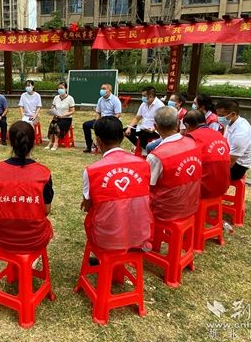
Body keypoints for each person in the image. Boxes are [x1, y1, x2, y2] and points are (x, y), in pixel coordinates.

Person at [80, 116, 152, 252]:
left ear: (98, 140)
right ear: (122, 137)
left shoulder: (92, 171)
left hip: (106, 239)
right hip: (141, 234)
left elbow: (88, 206)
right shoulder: (144, 164)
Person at [0, 121, 54, 252]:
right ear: (33, 142)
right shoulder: (43, 173)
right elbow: (46, 210)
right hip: (35, 239)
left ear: (10, 141)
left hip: (3, 237)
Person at [146, 107, 202, 221]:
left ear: (156, 126)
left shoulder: (156, 156)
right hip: (192, 205)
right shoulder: (194, 144)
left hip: (165, 211)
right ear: (178, 124)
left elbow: (146, 185)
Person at [183, 110, 231, 199]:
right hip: (223, 187)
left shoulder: (191, 138)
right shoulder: (219, 135)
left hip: (203, 190)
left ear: (187, 126)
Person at [215, 99, 251, 181]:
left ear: (233, 114)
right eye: (218, 115)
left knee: (205, 172)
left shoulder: (240, 134)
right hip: (232, 156)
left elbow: (230, 162)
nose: (219, 118)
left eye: (221, 115)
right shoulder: (233, 122)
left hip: (238, 166)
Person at [82, 83, 122, 153]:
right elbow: (98, 112)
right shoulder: (100, 99)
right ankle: (89, 146)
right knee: (86, 125)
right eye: (101, 88)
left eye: (104, 89)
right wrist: (97, 121)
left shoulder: (115, 100)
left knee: (107, 128)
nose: (101, 90)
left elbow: (118, 114)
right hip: (101, 120)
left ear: (109, 90)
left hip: (111, 121)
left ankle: (108, 146)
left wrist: (109, 122)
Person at [45, 82, 75, 151]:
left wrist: (64, 115)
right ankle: (50, 142)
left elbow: (72, 111)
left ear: (66, 89)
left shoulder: (70, 98)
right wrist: (53, 113)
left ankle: (56, 143)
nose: (60, 89)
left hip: (66, 119)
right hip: (57, 117)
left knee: (56, 125)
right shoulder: (56, 98)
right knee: (52, 124)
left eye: (62, 88)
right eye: (59, 88)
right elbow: (53, 108)